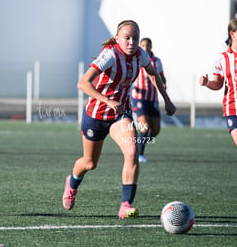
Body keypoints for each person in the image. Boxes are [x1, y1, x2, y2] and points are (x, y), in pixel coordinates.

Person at [62, 20, 176, 219]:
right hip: (95, 116)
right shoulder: (110, 55)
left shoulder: (141, 55)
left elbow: (153, 74)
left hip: (120, 115)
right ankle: (72, 183)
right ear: (117, 38)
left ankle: (125, 204)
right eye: (127, 38)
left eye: (135, 38)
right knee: (89, 163)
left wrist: (167, 99)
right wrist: (107, 100)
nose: (132, 42)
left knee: (132, 151)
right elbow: (83, 83)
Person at [199, 18, 237, 209]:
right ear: (232, 34)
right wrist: (208, 82)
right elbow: (218, 83)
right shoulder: (221, 58)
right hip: (234, 111)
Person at [131, 38, 167, 163]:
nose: (145, 47)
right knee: (145, 126)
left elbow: (162, 77)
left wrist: (164, 84)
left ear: (151, 47)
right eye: (143, 45)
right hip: (139, 96)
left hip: (152, 98)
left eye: (147, 45)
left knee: (155, 130)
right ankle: (139, 154)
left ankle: (138, 142)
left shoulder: (157, 61)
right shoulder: (137, 58)